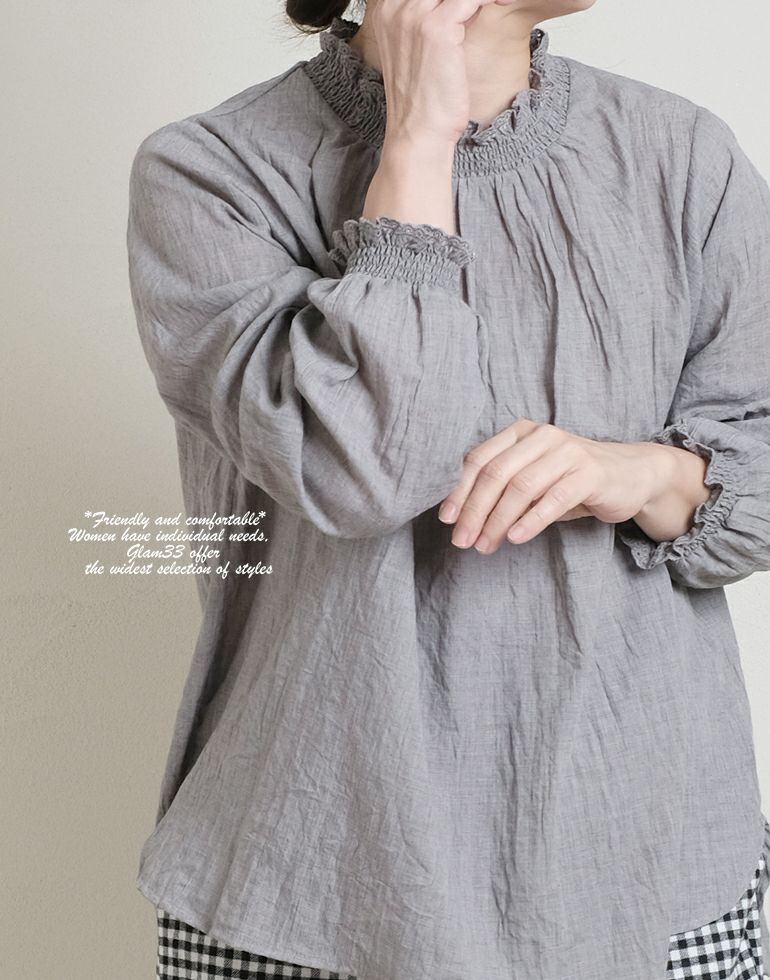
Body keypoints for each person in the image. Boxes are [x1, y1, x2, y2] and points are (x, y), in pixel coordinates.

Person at [126, 0, 770, 977]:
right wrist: (417, 144)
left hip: (642, 863)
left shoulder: (682, 154)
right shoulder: (211, 172)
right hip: (314, 883)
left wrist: (642, 471)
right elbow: (367, 469)